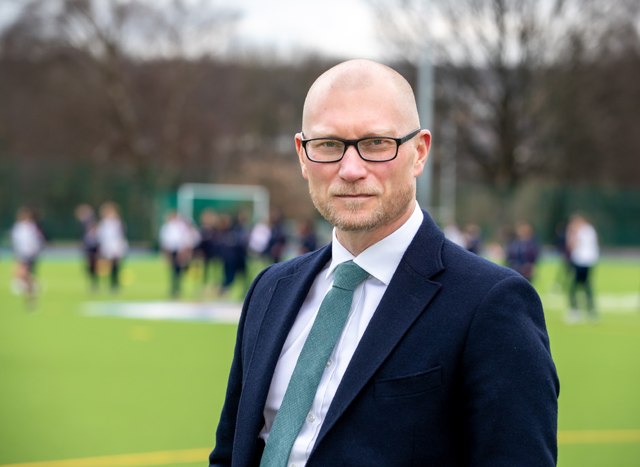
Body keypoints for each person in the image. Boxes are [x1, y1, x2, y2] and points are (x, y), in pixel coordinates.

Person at [210, 59, 558, 467]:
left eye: (376, 143)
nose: (351, 169)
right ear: (303, 155)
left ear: (419, 152)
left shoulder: (491, 304)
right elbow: (231, 454)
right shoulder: (270, 289)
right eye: (328, 144)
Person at [566, 213, 599, 323]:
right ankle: (591, 310)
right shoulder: (590, 230)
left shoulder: (580, 231)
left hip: (580, 261)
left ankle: (575, 310)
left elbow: (571, 245)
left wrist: (571, 232)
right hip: (589, 261)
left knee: (574, 287)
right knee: (586, 285)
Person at [159, 211, 199, 298]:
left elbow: (189, 238)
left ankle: (178, 287)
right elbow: (165, 241)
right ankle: (175, 288)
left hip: (181, 250)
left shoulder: (183, 226)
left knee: (180, 270)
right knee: (175, 271)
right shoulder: (168, 226)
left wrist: (186, 251)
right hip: (173, 250)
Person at [11, 207, 45, 307]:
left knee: (25, 275)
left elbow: (37, 240)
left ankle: (31, 297)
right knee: (23, 276)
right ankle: (32, 291)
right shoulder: (18, 227)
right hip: (21, 254)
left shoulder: (31, 227)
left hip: (29, 254)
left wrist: (34, 250)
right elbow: (16, 242)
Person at [97, 202, 128, 293]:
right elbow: (101, 236)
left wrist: (121, 246)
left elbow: (121, 235)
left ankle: (115, 284)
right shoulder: (104, 223)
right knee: (108, 266)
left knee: (116, 266)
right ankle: (110, 284)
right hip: (107, 247)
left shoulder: (118, 222)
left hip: (117, 246)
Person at [74, 204, 100, 291]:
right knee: (89, 265)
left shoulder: (92, 222)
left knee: (94, 264)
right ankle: (92, 283)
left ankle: (95, 282)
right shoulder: (82, 224)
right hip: (88, 247)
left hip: (94, 246)